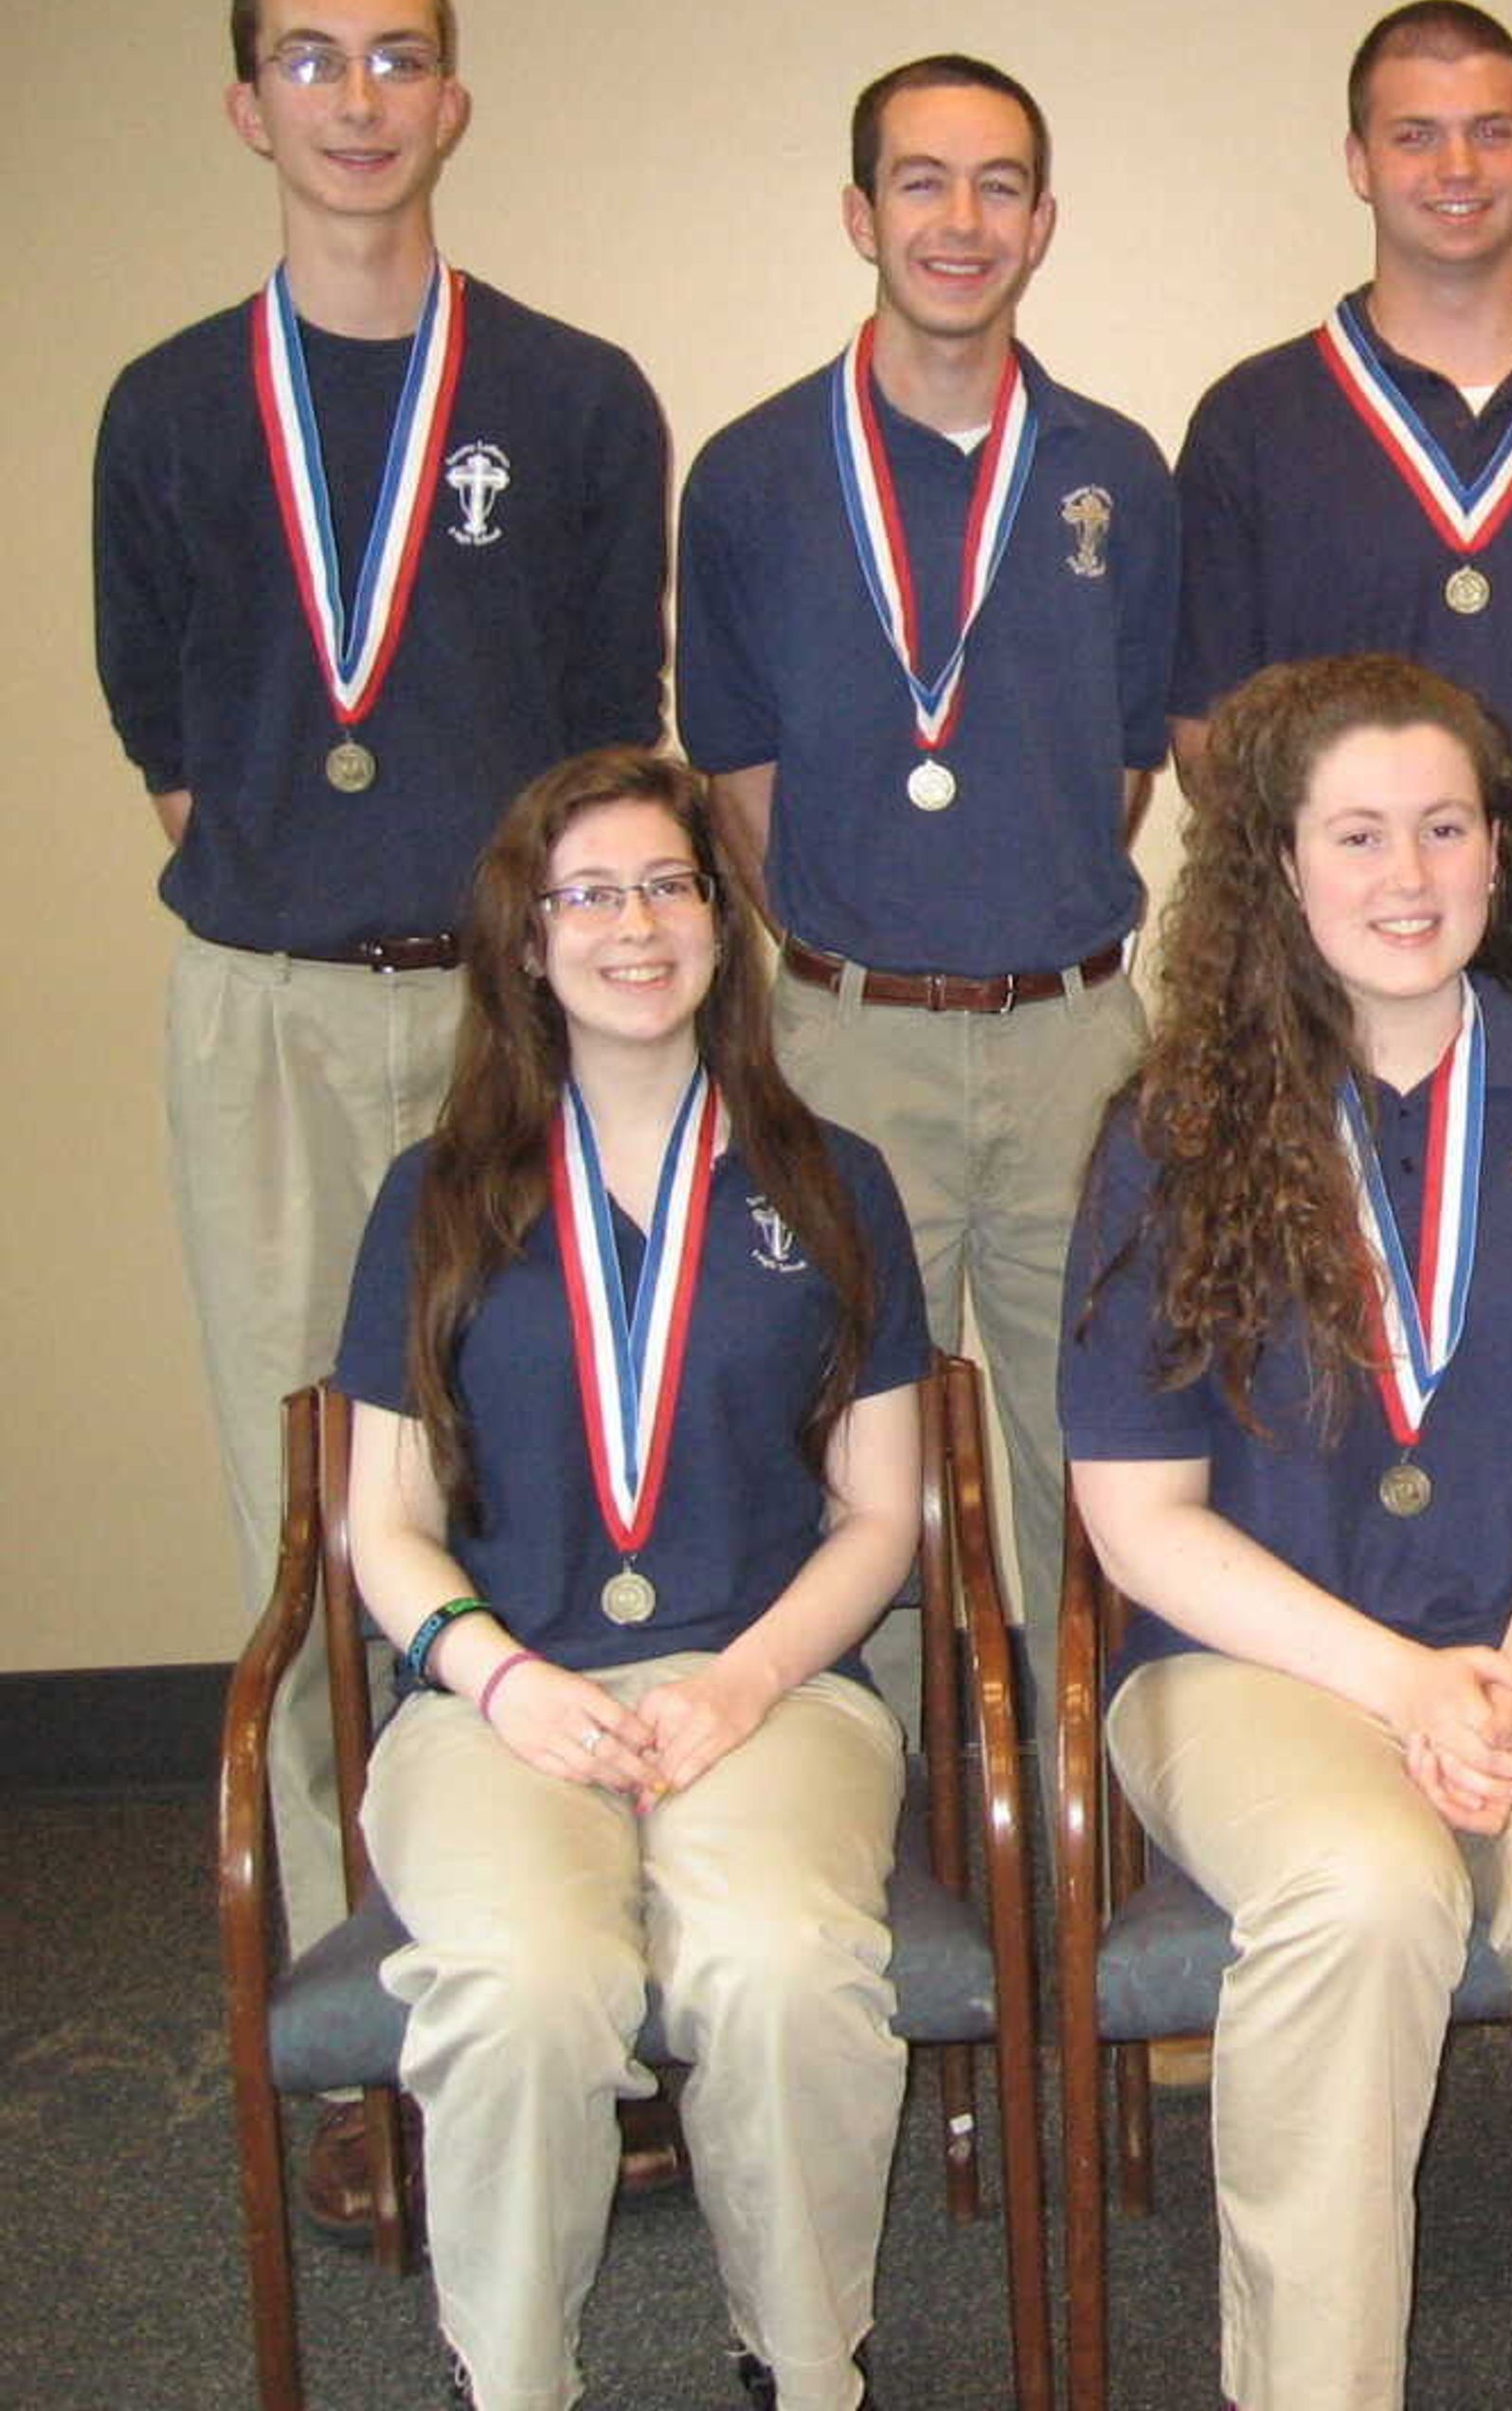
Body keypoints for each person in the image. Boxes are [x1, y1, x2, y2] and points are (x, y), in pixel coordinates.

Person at [91, 0, 668, 2219]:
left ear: (452, 98)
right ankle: (383, 2020)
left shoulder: (573, 390)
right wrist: (306, 905)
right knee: (318, 1490)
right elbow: (167, 731)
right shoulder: (162, 403)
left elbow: (615, 730)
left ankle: (592, 1976)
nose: (353, 96)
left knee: (560, 1475)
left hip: (509, 1015)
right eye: (305, 60)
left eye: (396, 58)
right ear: (247, 106)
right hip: (269, 1007)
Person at [1062, 656, 1512, 2409]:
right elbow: (1140, 1523)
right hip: (1260, 1660)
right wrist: (1400, 1685)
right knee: (1360, 1895)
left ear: (1503, 853)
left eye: (1446, 827)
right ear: (1276, 868)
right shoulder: (1170, 1133)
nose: (1410, 875)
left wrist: (1503, 1678)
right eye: (1357, 834)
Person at [333, 747, 933, 2411]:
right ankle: (514, 2380)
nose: (636, 924)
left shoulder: (832, 1181)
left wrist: (740, 1683)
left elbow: (881, 1515)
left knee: (785, 1968)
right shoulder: (436, 1195)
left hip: (777, 1685)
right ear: (527, 944)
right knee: (525, 1990)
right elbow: (379, 1524)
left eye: (669, 885)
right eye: (587, 894)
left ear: (719, 921)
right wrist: (501, 1681)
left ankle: (806, 2367)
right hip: (498, 1701)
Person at [675, 53, 1174, 1677]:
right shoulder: (749, 478)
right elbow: (736, 780)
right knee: (835, 1441)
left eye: (999, 184)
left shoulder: (1116, 471)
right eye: (921, 181)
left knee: (1094, 1442)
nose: (961, 220)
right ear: (857, 213)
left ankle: (1094, 1808)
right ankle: (866, 1817)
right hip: (842, 1040)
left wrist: (1008, 931)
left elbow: (1121, 770)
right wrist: (864, 951)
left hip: (1071, 1042)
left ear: (1043, 223)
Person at [1169, 0, 1512, 1084]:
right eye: (1415, 134)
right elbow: (1208, 743)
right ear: (1358, 161)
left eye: (1492, 129)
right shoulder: (1256, 419)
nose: (1457, 164)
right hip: (1343, 994)